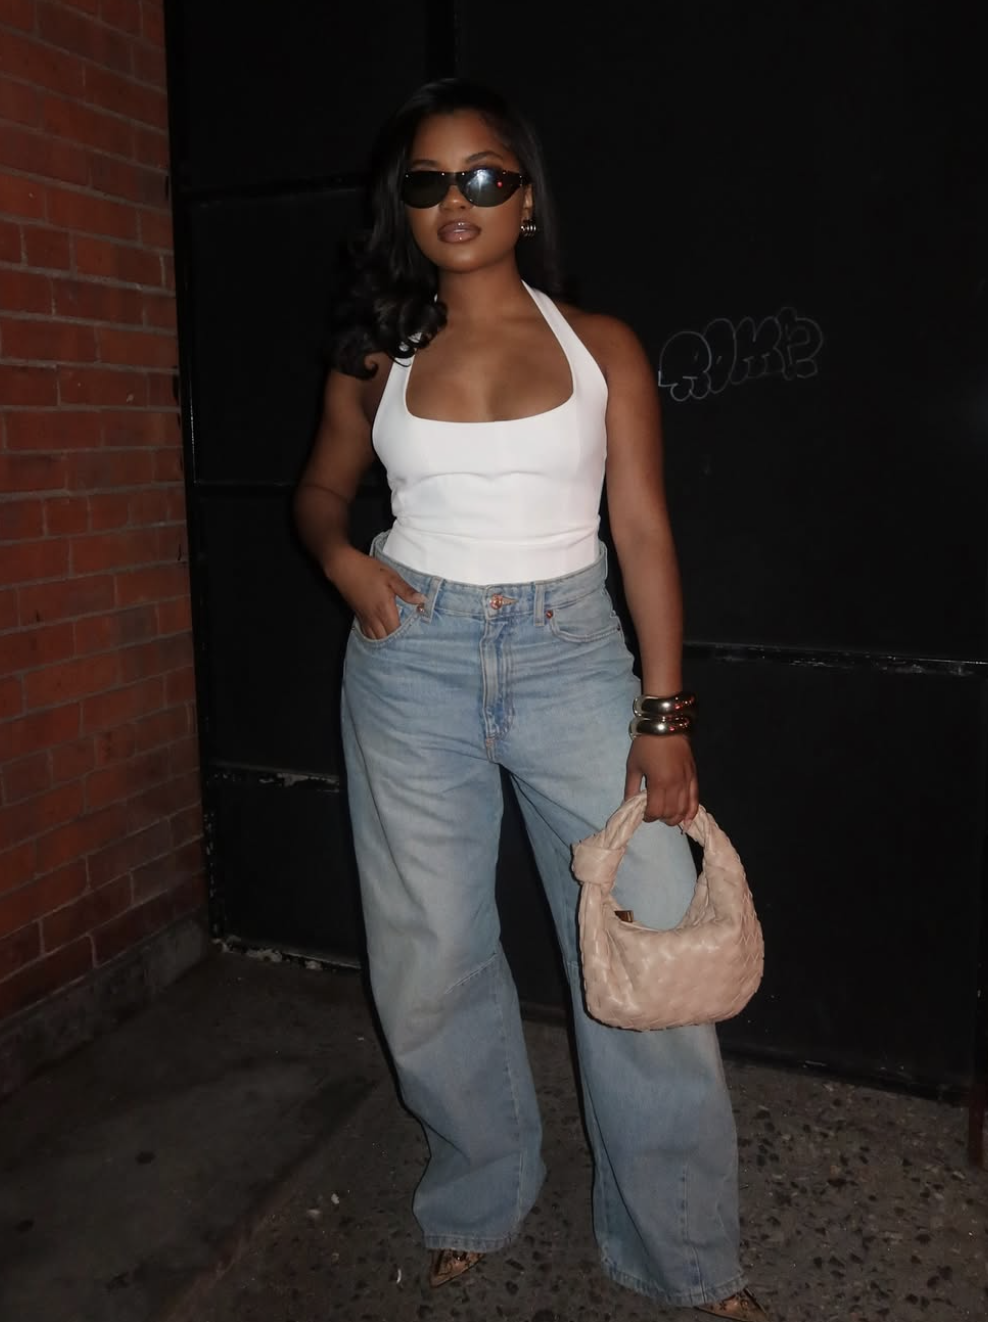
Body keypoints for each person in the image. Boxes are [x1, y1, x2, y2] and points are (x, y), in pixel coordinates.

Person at [294, 78, 766, 1321]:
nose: (459, 201)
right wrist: (346, 561)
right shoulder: (374, 354)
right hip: (412, 659)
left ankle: (684, 1253)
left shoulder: (600, 344)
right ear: (402, 208)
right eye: (430, 182)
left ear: (526, 198)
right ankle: (477, 1194)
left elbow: (646, 532)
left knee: (644, 945)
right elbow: (317, 498)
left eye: (485, 177)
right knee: (430, 952)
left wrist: (665, 717)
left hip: (571, 656)